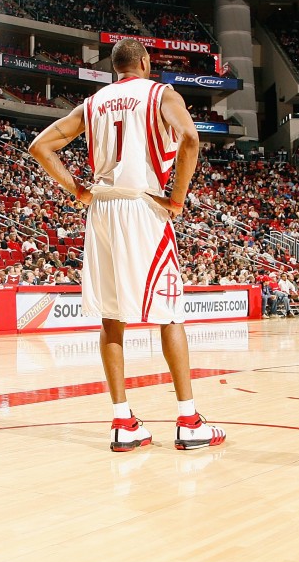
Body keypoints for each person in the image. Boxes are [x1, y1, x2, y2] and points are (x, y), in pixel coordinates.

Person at [29, 37, 225, 452]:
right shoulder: (161, 94)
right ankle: (189, 421)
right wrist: (177, 198)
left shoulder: (95, 102)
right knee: (169, 313)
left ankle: (123, 422)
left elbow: (40, 147)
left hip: (101, 209)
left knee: (111, 318)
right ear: (144, 61)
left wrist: (78, 191)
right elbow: (190, 139)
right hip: (142, 206)